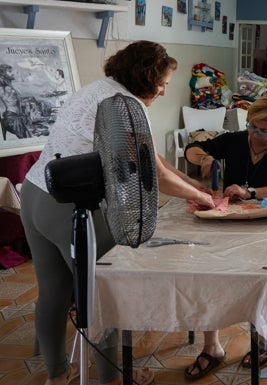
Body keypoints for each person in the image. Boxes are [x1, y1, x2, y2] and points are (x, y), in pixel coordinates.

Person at [20, 41, 215, 385]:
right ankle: (111, 379)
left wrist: (190, 181)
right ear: (147, 76)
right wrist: (206, 199)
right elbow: (152, 177)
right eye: (163, 82)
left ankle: (57, 375)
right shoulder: (125, 106)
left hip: (35, 194)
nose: (165, 89)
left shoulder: (100, 90)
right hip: (69, 207)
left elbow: (151, 158)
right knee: (104, 294)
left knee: (52, 293)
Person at [183, 94, 267, 379]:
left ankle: (262, 342)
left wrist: (251, 193)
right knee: (210, 271)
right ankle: (213, 347)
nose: (257, 136)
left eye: (265, 131)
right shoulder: (235, 140)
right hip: (231, 220)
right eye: (253, 128)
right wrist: (205, 158)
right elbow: (192, 148)